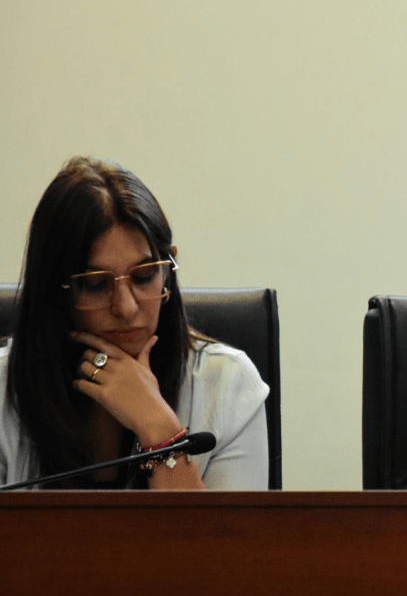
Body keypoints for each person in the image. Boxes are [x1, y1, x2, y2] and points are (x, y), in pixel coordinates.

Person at [0, 157, 269, 489]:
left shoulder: (227, 385)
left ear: (168, 270)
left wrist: (160, 430)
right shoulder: (3, 388)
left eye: (144, 276)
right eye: (95, 284)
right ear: (54, 290)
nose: (126, 308)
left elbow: (226, 528)